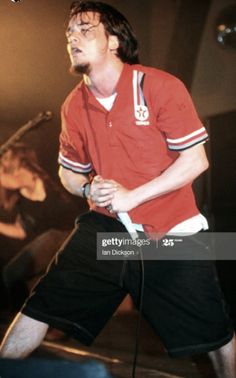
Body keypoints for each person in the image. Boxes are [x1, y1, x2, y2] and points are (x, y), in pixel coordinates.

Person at [0, 2, 235, 376]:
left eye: (84, 30)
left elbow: (196, 161)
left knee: (214, 333)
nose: (73, 38)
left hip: (170, 234)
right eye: (69, 34)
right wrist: (89, 187)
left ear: (113, 41)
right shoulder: (73, 106)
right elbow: (68, 174)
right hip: (110, 233)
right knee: (40, 307)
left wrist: (132, 196)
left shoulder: (158, 86)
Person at [0, 143, 83, 310]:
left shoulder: (42, 177)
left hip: (73, 235)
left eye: (5, 167)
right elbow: (21, 231)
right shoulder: (21, 200)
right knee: (26, 283)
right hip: (56, 244)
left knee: (13, 273)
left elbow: (9, 179)